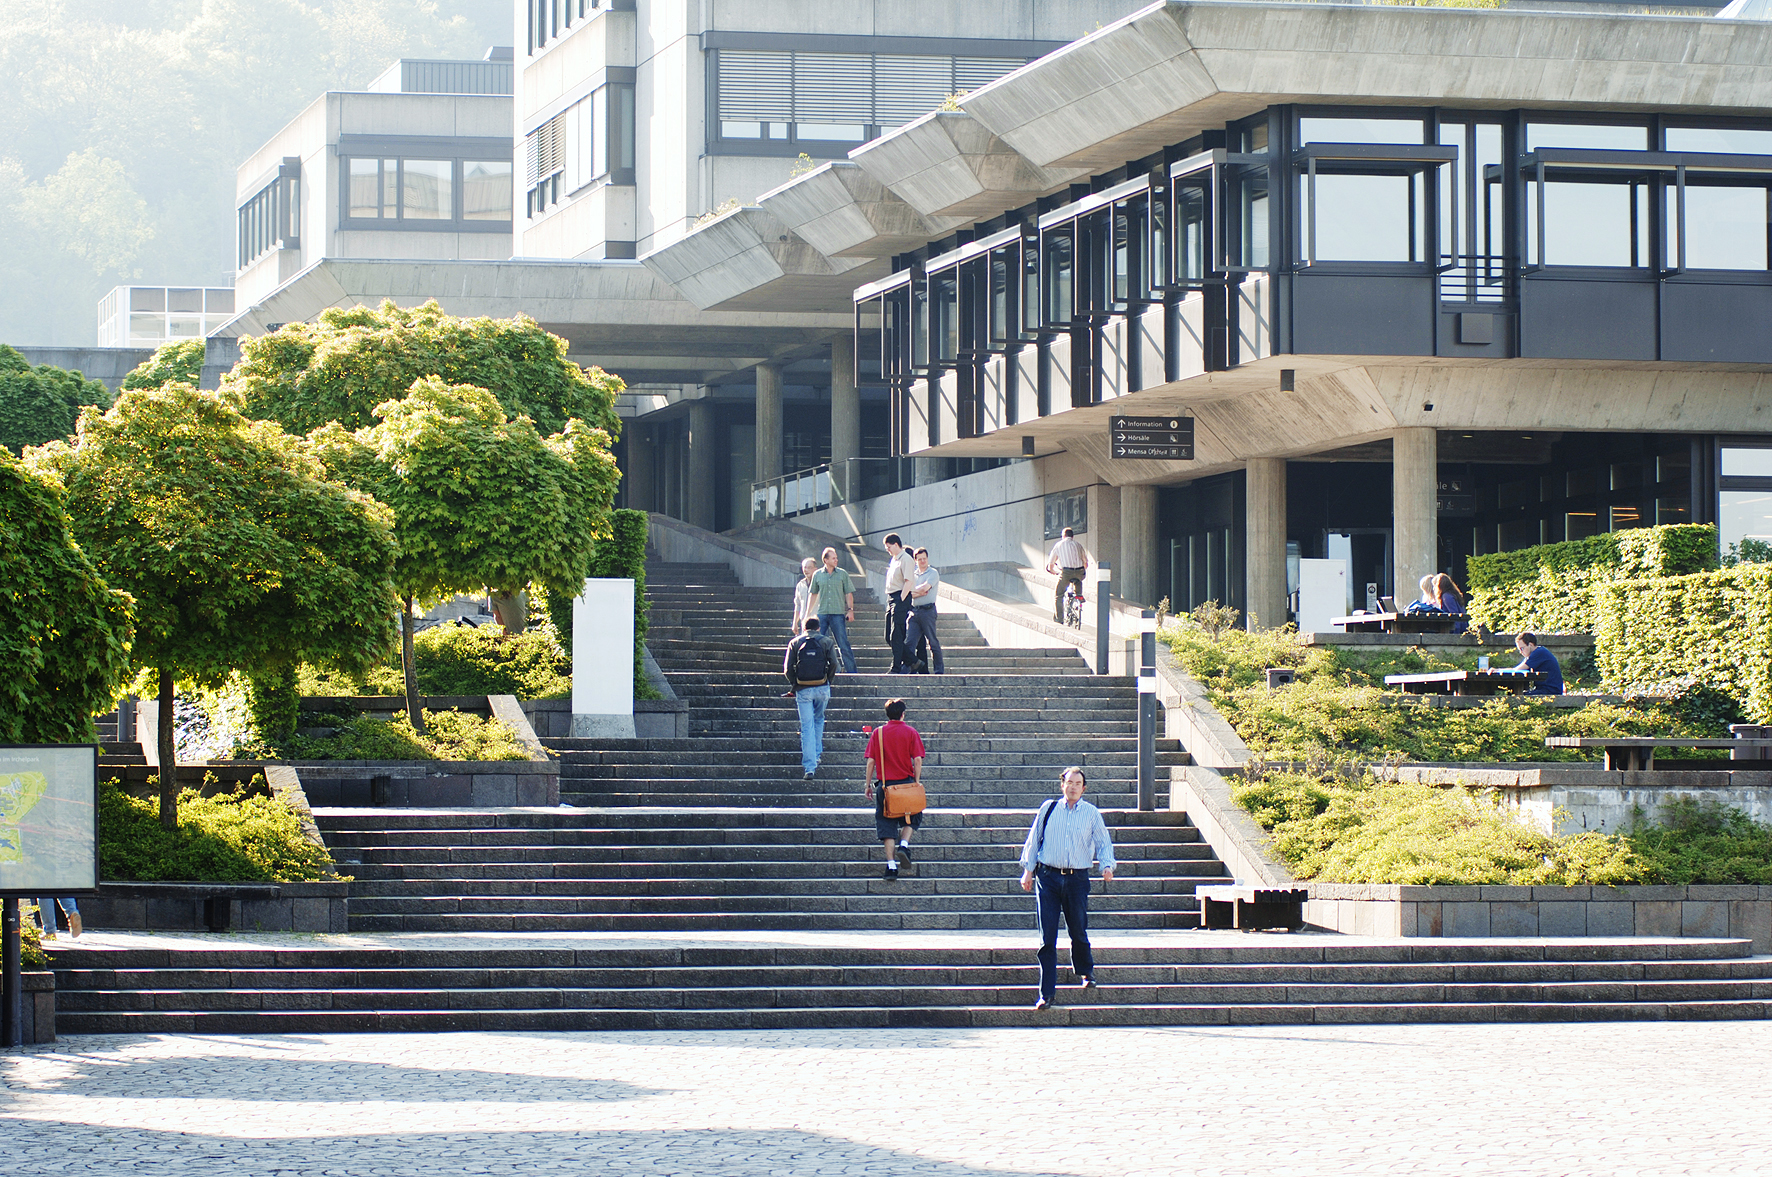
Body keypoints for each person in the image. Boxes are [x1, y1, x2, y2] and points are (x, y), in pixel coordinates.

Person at [1019, 767, 1116, 1010]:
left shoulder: (1091, 813)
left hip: (1077, 879)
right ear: (1062, 785)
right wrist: (1028, 870)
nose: (1072, 787)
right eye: (1069, 782)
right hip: (1048, 878)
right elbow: (1034, 839)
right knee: (1047, 937)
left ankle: (1085, 970)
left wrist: (1106, 866)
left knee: (1078, 928)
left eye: (1077, 783)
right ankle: (1047, 993)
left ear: (1084, 788)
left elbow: (1103, 843)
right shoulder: (1048, 809)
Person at [864, 698, 926, 881]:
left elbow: (871, 761)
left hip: (886, 786)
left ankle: (891, 867)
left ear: (887, 714)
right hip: (906, 784)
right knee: (913, 816)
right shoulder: (911, 732)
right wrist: (916, 781)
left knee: (887, 825)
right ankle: (904, 845)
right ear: (903, 714)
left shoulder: (878, 733)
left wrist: (867, 785)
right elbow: (917, 760)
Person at [784, 617, 838, 778]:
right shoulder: (826, 641)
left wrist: (795, 684)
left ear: (804, 628)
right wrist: (828, 681)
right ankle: (817, 754)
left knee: (807, 726)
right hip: (822, 687)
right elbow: (834, 664)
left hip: (803, 688)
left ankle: (810, 767)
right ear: (819, 628)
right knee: (819, 719)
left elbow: (787, 668)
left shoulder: (795, 642)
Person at [809, 547, 857, 674]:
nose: (836, 560)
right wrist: (808, 613)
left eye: (836, 558)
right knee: (820, 643)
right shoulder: (817, 574)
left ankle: (852, 672)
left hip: (837, 614)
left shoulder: (842, 574)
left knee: (843, 644)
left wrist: (850, 610)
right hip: (822, 614)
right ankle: (824, 671)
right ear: (825, 560)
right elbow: (813, 594)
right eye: (833, 558)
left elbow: (848, 593)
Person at [882, 533, 918, 673]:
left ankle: (896, 667)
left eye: (889, 547)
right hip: (891, 597)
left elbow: (909, 581)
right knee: (888, 636)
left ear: (896, 544)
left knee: (896, 635)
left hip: (900, 597)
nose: (888, 550)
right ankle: (912, 660)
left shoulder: (906, 559)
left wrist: (901, 599)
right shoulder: (894, 560)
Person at [906, 547, 945, 675]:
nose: (923, 561)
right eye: (920, 559)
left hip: (928, 611)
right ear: (915, 560)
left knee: (932, 642)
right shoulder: (913, 575)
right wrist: (918, 592)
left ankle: (939, 671)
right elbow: (908, 594)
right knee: (910, 643)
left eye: (924, 559)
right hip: (914, 612)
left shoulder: (933, 573)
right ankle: (907, 670)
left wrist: (914, 591)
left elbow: (925, 588)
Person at [1045, 528, 1090, 623]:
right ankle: (1078, 596)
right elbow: (1085, 563)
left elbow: (1050, 565)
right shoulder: (1078, 545)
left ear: (1063, 536)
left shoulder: (1059, 545)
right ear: (1072, 536)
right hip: (1080, 572)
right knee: (1078, 580)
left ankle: (1059, 619)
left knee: (1058, 595)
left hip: (1066, 573)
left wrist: (1054, 571)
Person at [1510, 631, 1564, 696]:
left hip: (1550, 691)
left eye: (1522, 648)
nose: (1521, 652)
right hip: (1545, 689)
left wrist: (1501, 670)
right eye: (1519, 650)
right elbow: (1517, 669)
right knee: (1516, 694)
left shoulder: (1539, 653)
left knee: (1518, 695)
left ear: (1530, 645)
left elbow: (1518, 669)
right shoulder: (1536, 653)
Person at [790, 556, 818, 638]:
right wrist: (795, 622)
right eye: (804, 567)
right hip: (804, 621)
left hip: (817, 621)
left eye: (809, 567)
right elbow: (798, 604)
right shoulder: (800, 585)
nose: (806, 570)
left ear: (815, 569)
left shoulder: (820, 584)